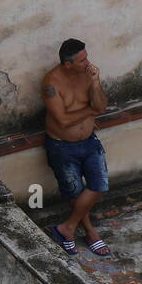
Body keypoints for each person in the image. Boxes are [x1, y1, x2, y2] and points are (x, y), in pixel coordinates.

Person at [42, 39, 111, 256]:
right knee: (74, 192)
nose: (88, 63)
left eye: (87, 57)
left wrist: (96, 82)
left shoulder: (87, 75)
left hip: (89, 141)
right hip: (62, 147)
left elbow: (101, 106)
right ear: (67, 63)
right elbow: (62, 120)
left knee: (99, 186)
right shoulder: (51, 83)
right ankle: (89, 231)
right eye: (82, 61)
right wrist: (90, 112)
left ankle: (67, 227)